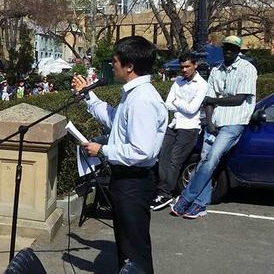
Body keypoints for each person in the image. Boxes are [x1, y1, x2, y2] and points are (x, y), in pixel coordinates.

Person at [73, 36, 167, 274]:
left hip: (133, 182)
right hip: (125, 180)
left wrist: (102, 150)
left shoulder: (142, 100)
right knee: (126, 246)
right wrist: (87, 95)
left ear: (129, 66)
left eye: (115, 61)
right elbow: (115, 120)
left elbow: (141, 151)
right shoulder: (133, 94)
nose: (112, 65)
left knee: (135, 251)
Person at [172, 35, 257, 219]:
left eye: (232, 48)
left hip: (234, 122)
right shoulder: (216, 69)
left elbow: (239, 99)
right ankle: (201, 204)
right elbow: (207, 102)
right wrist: (209, 123)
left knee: (212, 158)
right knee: (204, 160)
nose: (228, 51)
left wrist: (214, 100)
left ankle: (186, 198)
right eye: (226, 47)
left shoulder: (247, 68)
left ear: (238, 51)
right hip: (215, 122)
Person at [151, 52, 208, 211]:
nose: (183, 70)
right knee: (163, 156)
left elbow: (192, 110)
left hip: (189, 128)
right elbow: (167, 104)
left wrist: (177, 101)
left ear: (195, 65)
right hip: (174, 124)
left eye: (187, 66)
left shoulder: (202, 84)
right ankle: (161, 191)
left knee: (175, 160)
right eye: (181, 67)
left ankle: (165, 193)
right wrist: (181, 103)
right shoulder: (178, 82)